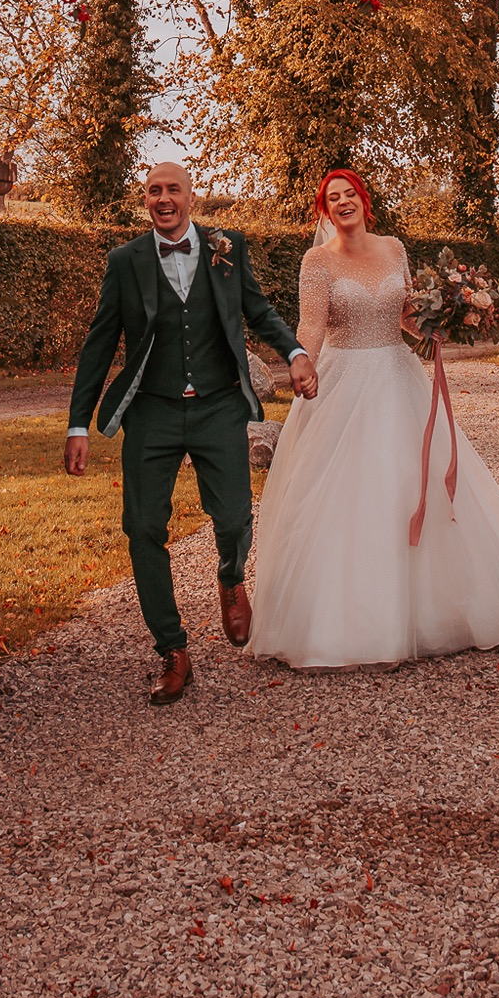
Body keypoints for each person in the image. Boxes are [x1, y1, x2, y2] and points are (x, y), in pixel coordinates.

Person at [248, 168, 499, 668]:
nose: (344, 202)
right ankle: (348, 622)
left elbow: (404, 314)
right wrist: (300, 363)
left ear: (363, 200)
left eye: (350, 193)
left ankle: (434, 613)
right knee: (349, 492)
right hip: (344, 380)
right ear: (323, 211)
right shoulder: (316, 261)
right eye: (333, 198)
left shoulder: (394, 249)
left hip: (397, 374)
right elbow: (311, 326)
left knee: (411, 479)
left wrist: (442, 321)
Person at [64, 162, 318, 704]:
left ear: (191, 198)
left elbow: (257, 308)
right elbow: (100, 343)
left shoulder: (229, 248)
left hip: (218, 406)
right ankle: (173, 650)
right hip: (151, 413)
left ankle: (230, 576)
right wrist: (78, 423)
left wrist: (294, 352)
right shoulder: (125, 261)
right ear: (146, 201)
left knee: (233, 516)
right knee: (143, 528)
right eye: (153, 191)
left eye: (172, 189)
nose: (163, 198)